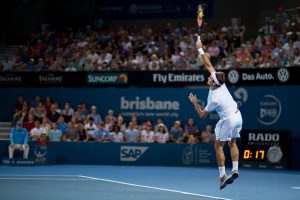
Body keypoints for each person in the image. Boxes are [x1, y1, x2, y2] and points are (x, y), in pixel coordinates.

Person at [188, 37, 243, 190]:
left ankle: (222, 175)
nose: (209, 76)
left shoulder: (214, 98)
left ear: (213, 82)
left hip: (229, 119)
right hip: (238, 116)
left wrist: (195, 103)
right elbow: (208, 64)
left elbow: (201, 115)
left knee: (218, 145)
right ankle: (235, 169)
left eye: (210, 77)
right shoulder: (221, 84)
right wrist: (200, 48)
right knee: (233, 142)